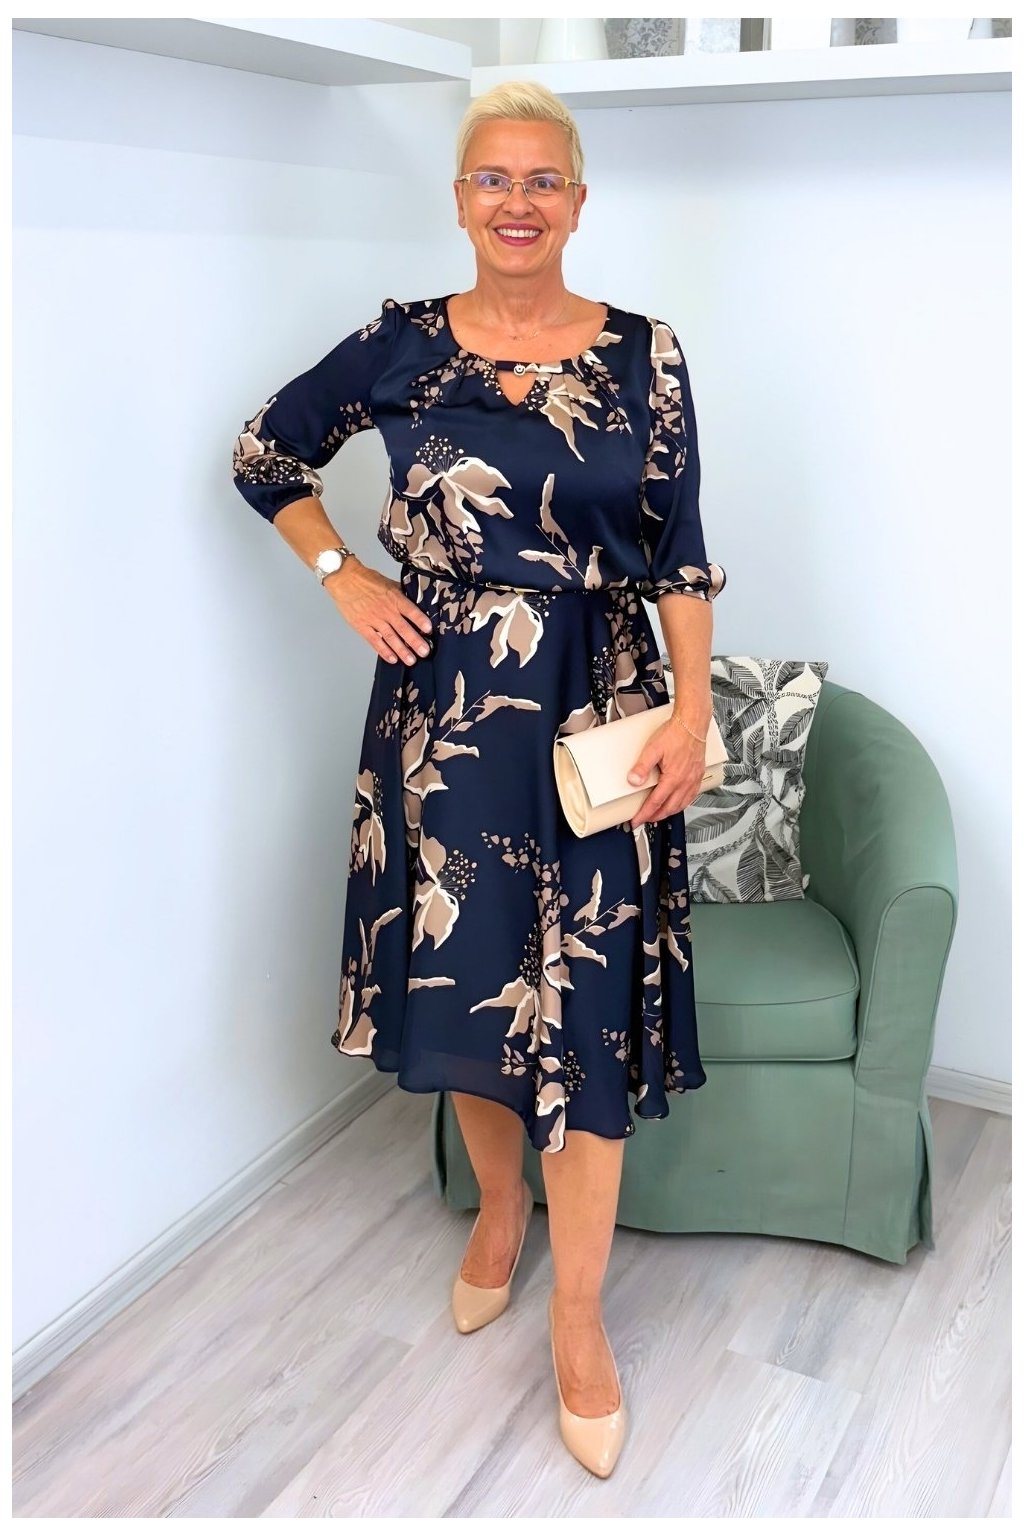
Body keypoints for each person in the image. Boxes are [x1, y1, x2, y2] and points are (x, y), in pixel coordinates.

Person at [231, 80, 726, 1480]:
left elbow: (681, 548)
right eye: (493, 179)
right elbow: (265, 452)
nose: (518, 202)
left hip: (600, 715)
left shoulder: (647, 355)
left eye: (542, 180)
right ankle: (501, 1213)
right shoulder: (398, 346)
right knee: (476, 985)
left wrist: (692, 709)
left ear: (578, 201)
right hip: (444, 718)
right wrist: (343, 575)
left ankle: (579, 1317)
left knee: (587, 1008)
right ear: (461, 201)